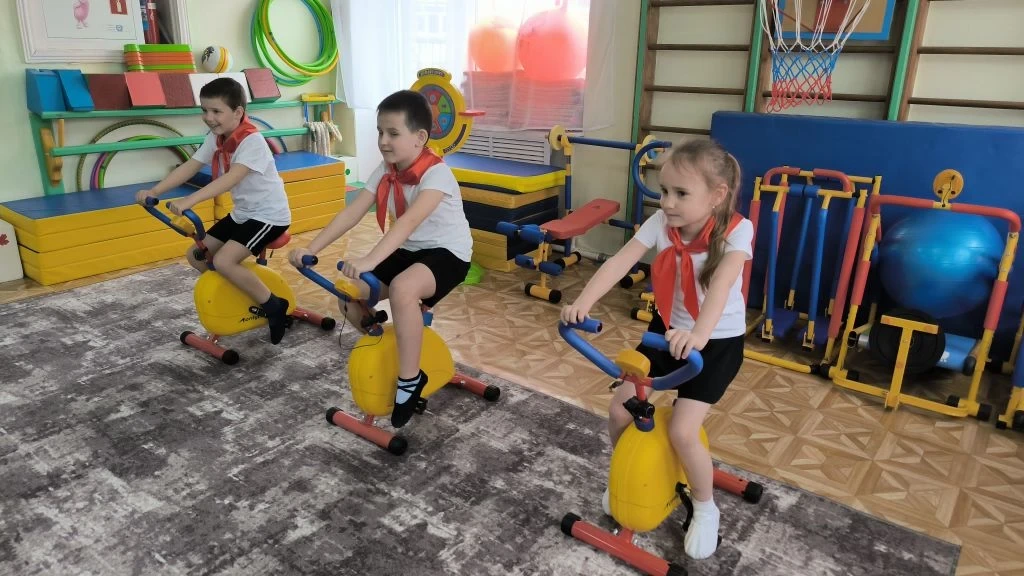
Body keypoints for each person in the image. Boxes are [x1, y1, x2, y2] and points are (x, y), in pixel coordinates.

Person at [560, 138, 752, 560]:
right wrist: (583, 302)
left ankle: (705, 507)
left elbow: (723, 285)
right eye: (664, 191)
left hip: (715, 342)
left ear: (717, 195)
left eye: (681, 193)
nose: (667, 202)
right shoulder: (661, 223)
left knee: (683, 430)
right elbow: (619, 261)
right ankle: (629, 476)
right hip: (665, 333)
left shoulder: (737, 230)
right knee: (619, 410)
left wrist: (699, 333)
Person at [288, 89, 473, 429]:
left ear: (420, 138)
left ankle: (410, 380)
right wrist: (312, 249)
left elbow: (408, 222)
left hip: (448, 253)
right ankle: (392, 343)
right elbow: (352, 212)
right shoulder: (386, 169)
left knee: (403, 288)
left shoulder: (437, 174)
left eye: (393, 133)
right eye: (380, 132)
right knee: (348, 293)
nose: (383, 141)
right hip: (410, 250)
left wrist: (371, 259)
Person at [135, 77, 293, 345]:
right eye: (205, 110)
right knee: (197, 256)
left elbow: (231, 178)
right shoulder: (217, 137)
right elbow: (191, 166)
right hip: (244, 214)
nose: (208, 117)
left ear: (238, 112)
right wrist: (155, 191)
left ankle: (274, 305)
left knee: (223, 262)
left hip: (268, 216)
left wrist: (190, 200)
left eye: (216, 111)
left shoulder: (252, 141)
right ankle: (243, 292)